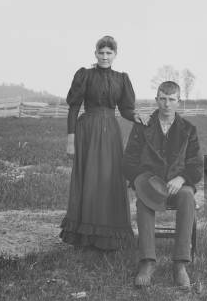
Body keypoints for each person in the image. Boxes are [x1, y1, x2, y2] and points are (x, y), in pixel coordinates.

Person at [60, 35, 145, 250]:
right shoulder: (85, 75)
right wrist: (71, 139)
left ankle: (108, 236)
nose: (105, 56)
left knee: (109, 178)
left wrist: (136, 116)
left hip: (110, 134)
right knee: (88, 179)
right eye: (101, 52)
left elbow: (125, 109)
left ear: (115, 55)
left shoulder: (121, 78)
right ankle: (84, 236)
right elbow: (73, 107)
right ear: (95, 53)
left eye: (109, 53)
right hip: (87, 130)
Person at [123, 81, 202, 289]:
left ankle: (180, 264)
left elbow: (196, 165)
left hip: (179, 184)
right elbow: (129, 160)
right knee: (144, 199)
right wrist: (146, 180)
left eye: (172, 99)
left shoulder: (189, 130)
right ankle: (147, 262)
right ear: (157, 99)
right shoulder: (142, 127)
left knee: (187, 196)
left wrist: (182, 178)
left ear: (179, 102)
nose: (167, 104)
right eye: (163, 99)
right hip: (150, 183)